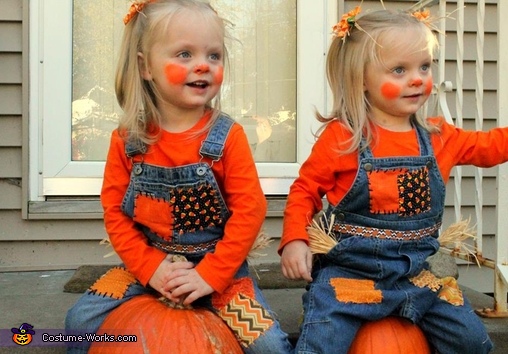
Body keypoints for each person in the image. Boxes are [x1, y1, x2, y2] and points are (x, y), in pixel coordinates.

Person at [65, 1, 293, 353]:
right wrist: (151, 269)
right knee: (78, 324)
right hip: (151, 265)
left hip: (219, 271)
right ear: (145, 67)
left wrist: (209, 275)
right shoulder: (128, 141)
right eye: (184, 54)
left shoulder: (227, 137)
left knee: (271, 347)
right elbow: (115, 213)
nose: (203, 65)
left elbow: (250, 211)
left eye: (214, 56)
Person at [280, 7, 502, 354]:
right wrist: (294, 239)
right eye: (399, 69)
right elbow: (305, 190)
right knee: (321, 343)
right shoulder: (344, 138)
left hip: (416, 277)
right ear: (361, 79)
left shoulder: (439, 137)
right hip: (349, 276)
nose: (416, 78)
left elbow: (488, 147)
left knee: (473, 341)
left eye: (424, 67)